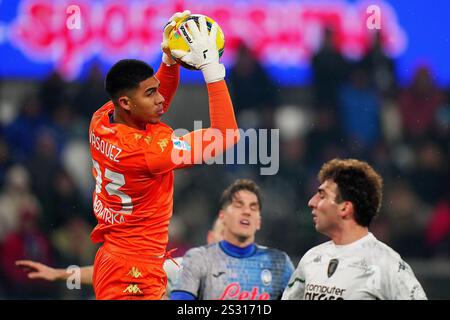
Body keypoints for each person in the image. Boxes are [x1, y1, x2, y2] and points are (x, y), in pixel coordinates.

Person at [87, 11, 239, 299]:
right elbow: (226, 135)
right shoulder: (149, 152)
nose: (160, 99)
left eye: (156, 90)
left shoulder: (102, 118)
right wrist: (211, 68)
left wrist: (169, 59)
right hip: (132, 270)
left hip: (116, 257)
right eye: (150, 93)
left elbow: (153, 103)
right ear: (126, 102)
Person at [282, 159, 427, 300]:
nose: (312, 202)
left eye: (322, 195)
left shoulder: (387, 265)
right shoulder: (311, 258)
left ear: (345, 208)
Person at [15, 217, 225, 297]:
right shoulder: (183, 270)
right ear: (210, 239)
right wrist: (61, 274)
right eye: (223, 235)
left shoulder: (256, 281)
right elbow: (120, 275)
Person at [170, 179, 294, 300]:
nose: (247, 212)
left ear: (259, 222)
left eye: (253, 208)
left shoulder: (279, 263)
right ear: (222, 216)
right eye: (238, 206)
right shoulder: (198, 259)